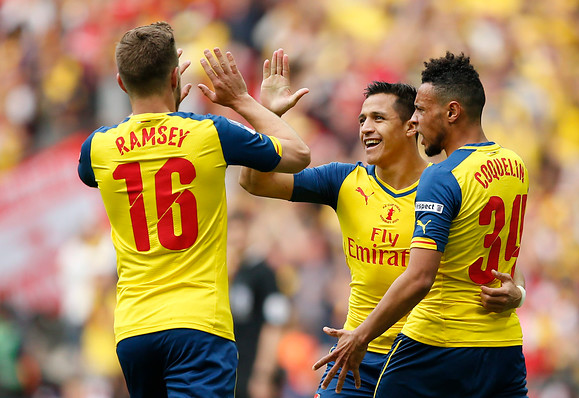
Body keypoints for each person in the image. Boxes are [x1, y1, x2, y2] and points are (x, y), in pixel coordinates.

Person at [240, 50, 524, 397]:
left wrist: (517, 292)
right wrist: (268, 114)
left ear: (411, 126)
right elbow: (254, 182)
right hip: (355, 351)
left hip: (420, 352)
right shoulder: (343, 181)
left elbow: (495, 259)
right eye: (361, 120)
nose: (365, 128)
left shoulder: (447, 182)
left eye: (377, 118)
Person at [76, 22, 310, 398]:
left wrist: (166, 109)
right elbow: (298, 154)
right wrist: (244, 102)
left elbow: (107, 166)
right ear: (175, 76)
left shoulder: (97, 148)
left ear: (121, 83)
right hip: (198, 325)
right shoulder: (208, 134)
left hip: (135, 331)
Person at [227, 210, 290, 398]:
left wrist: (263, 373)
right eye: (232, 231)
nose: (237, 237)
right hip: (228, 366)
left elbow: (275, 324)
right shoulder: (222, 272)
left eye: (241, 230)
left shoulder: (264, 273)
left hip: (252, 366)